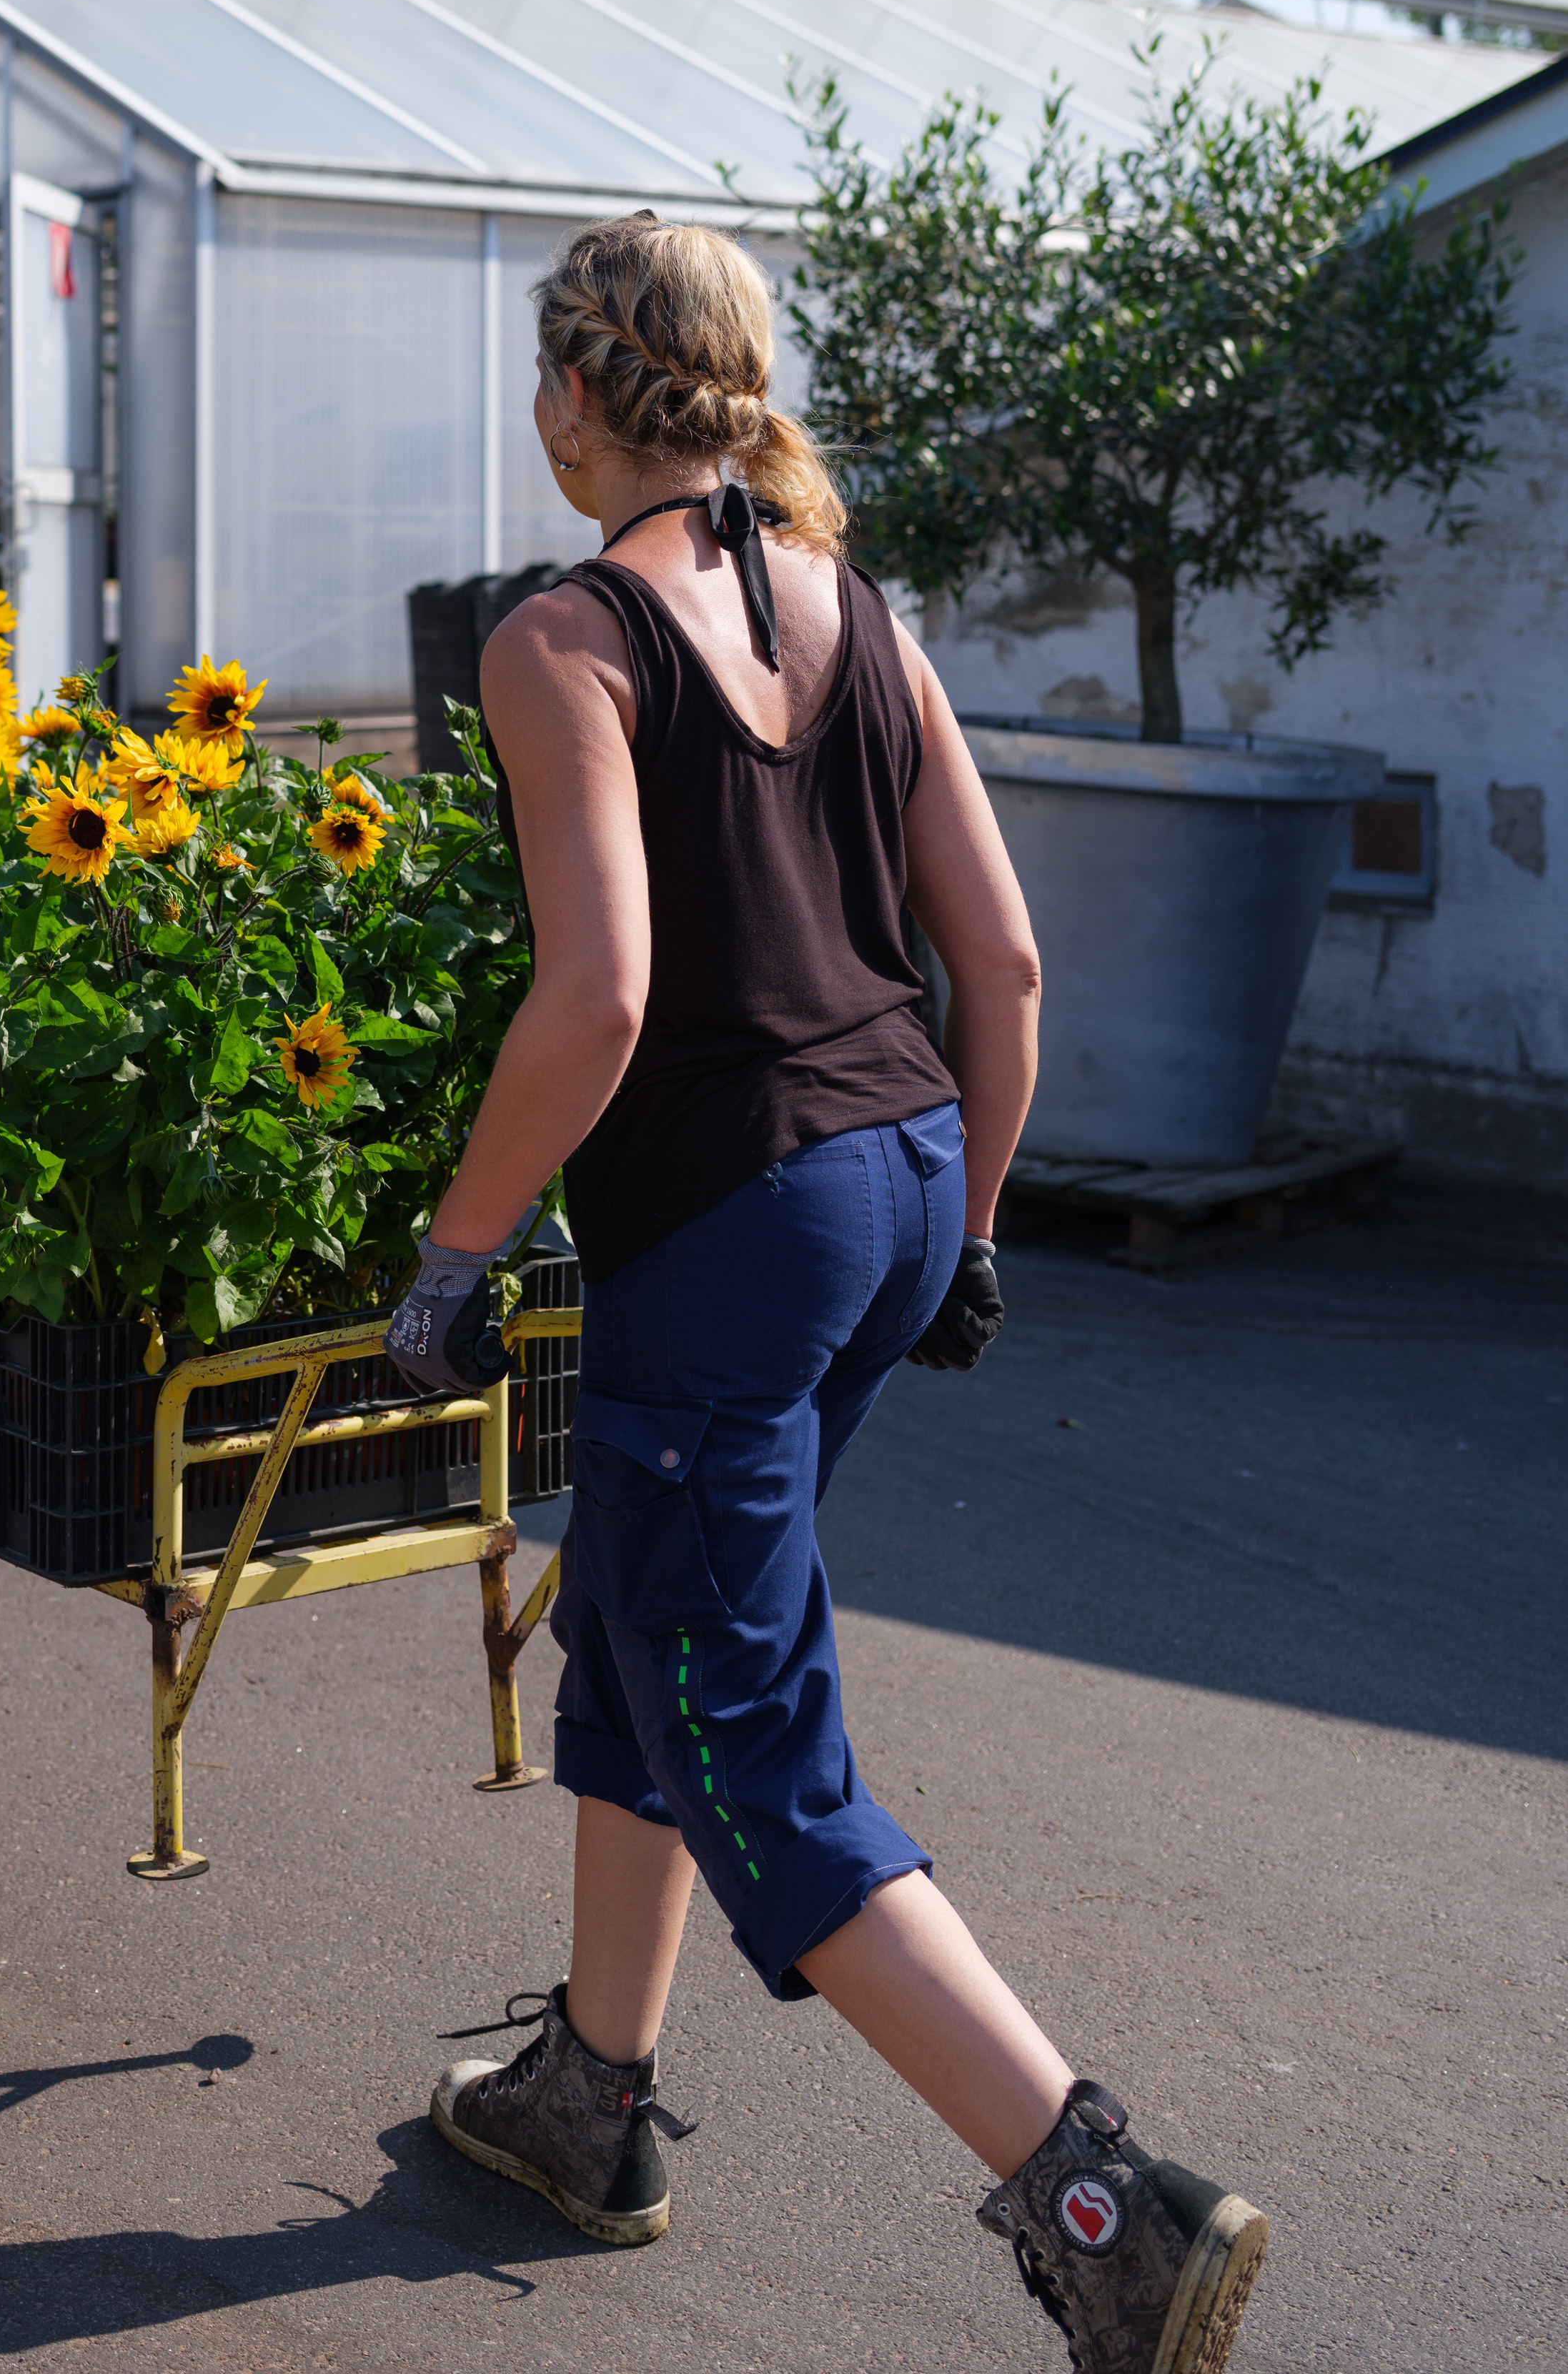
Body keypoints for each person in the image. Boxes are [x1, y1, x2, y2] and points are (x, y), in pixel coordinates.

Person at [386, 214, 1266, 2374]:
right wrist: (968, 1229)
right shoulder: (857, 610)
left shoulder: (564, 640)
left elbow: (601, 1001)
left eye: (540, 377)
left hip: (734, 1229)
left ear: (583, 393)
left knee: (753, 1735)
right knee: (655, 1617)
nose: (534, 415)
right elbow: (1010, 964)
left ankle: (1103, 2208)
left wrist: (458, 1252)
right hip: (887, 1191)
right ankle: (592, 2101)